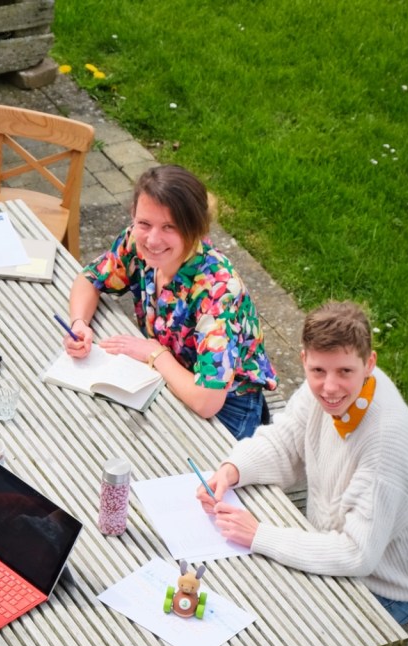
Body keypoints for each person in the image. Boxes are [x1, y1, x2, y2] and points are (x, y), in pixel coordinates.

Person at [170, 300, 408, 646]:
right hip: (340, 541)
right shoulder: (325, 395)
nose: (329, 386)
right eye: (318, 371)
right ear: (304, 360)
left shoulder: (385, 443)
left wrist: (260, 535)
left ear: (369, 364)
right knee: (237, 575)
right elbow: (285, 442)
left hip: (388, 583)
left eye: (344, 372)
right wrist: (232, 470)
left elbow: (356, 555)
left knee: (257, 618)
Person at [64, 164, 277, 440]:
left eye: (169, 227)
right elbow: (90, 278)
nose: (153, 240)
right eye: (144, 223)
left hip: (228, 408)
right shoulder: (136, 242)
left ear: (195, 229)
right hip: (165, 379)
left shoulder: (217, 290)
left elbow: (207, 401)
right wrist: (79, 323)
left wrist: (155, 354)